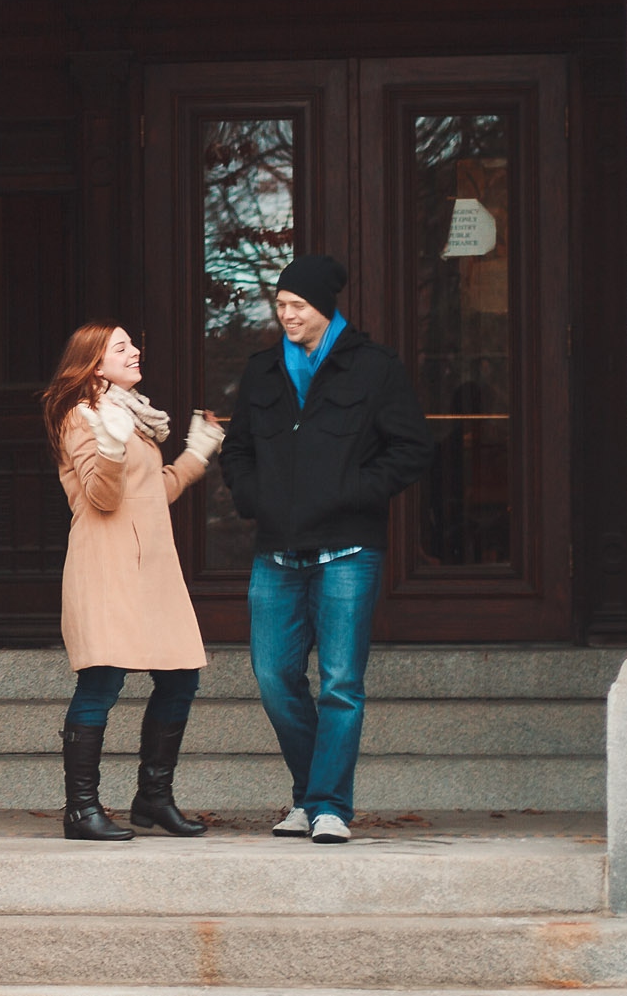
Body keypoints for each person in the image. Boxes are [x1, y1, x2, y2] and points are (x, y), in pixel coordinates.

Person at [219, 255, 433, 845]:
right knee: (273, 675)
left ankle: (327, 805)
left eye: (298, 306)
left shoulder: (374, 368)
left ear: (324, 309)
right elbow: (236, 450)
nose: (286, 314)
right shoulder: (263, 371)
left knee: (340, 683)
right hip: (276, 553)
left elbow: (412, 449)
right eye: (281, 304)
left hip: (348, 551)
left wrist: (354, 492)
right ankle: (314, 796)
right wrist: (253, 496)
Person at [41, 322, 226, 841]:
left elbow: (153, 491)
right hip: (107, 564)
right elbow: (102, 498)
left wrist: (198, 450)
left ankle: (152, 798)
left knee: (180, 676)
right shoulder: (83, 417)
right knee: (101, 681)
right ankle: (81, 809)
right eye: (120, 347)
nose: (134, 351)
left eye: (131, 343)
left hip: (153, 568)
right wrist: (112, 449)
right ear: (95, 365)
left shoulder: (131, 417)